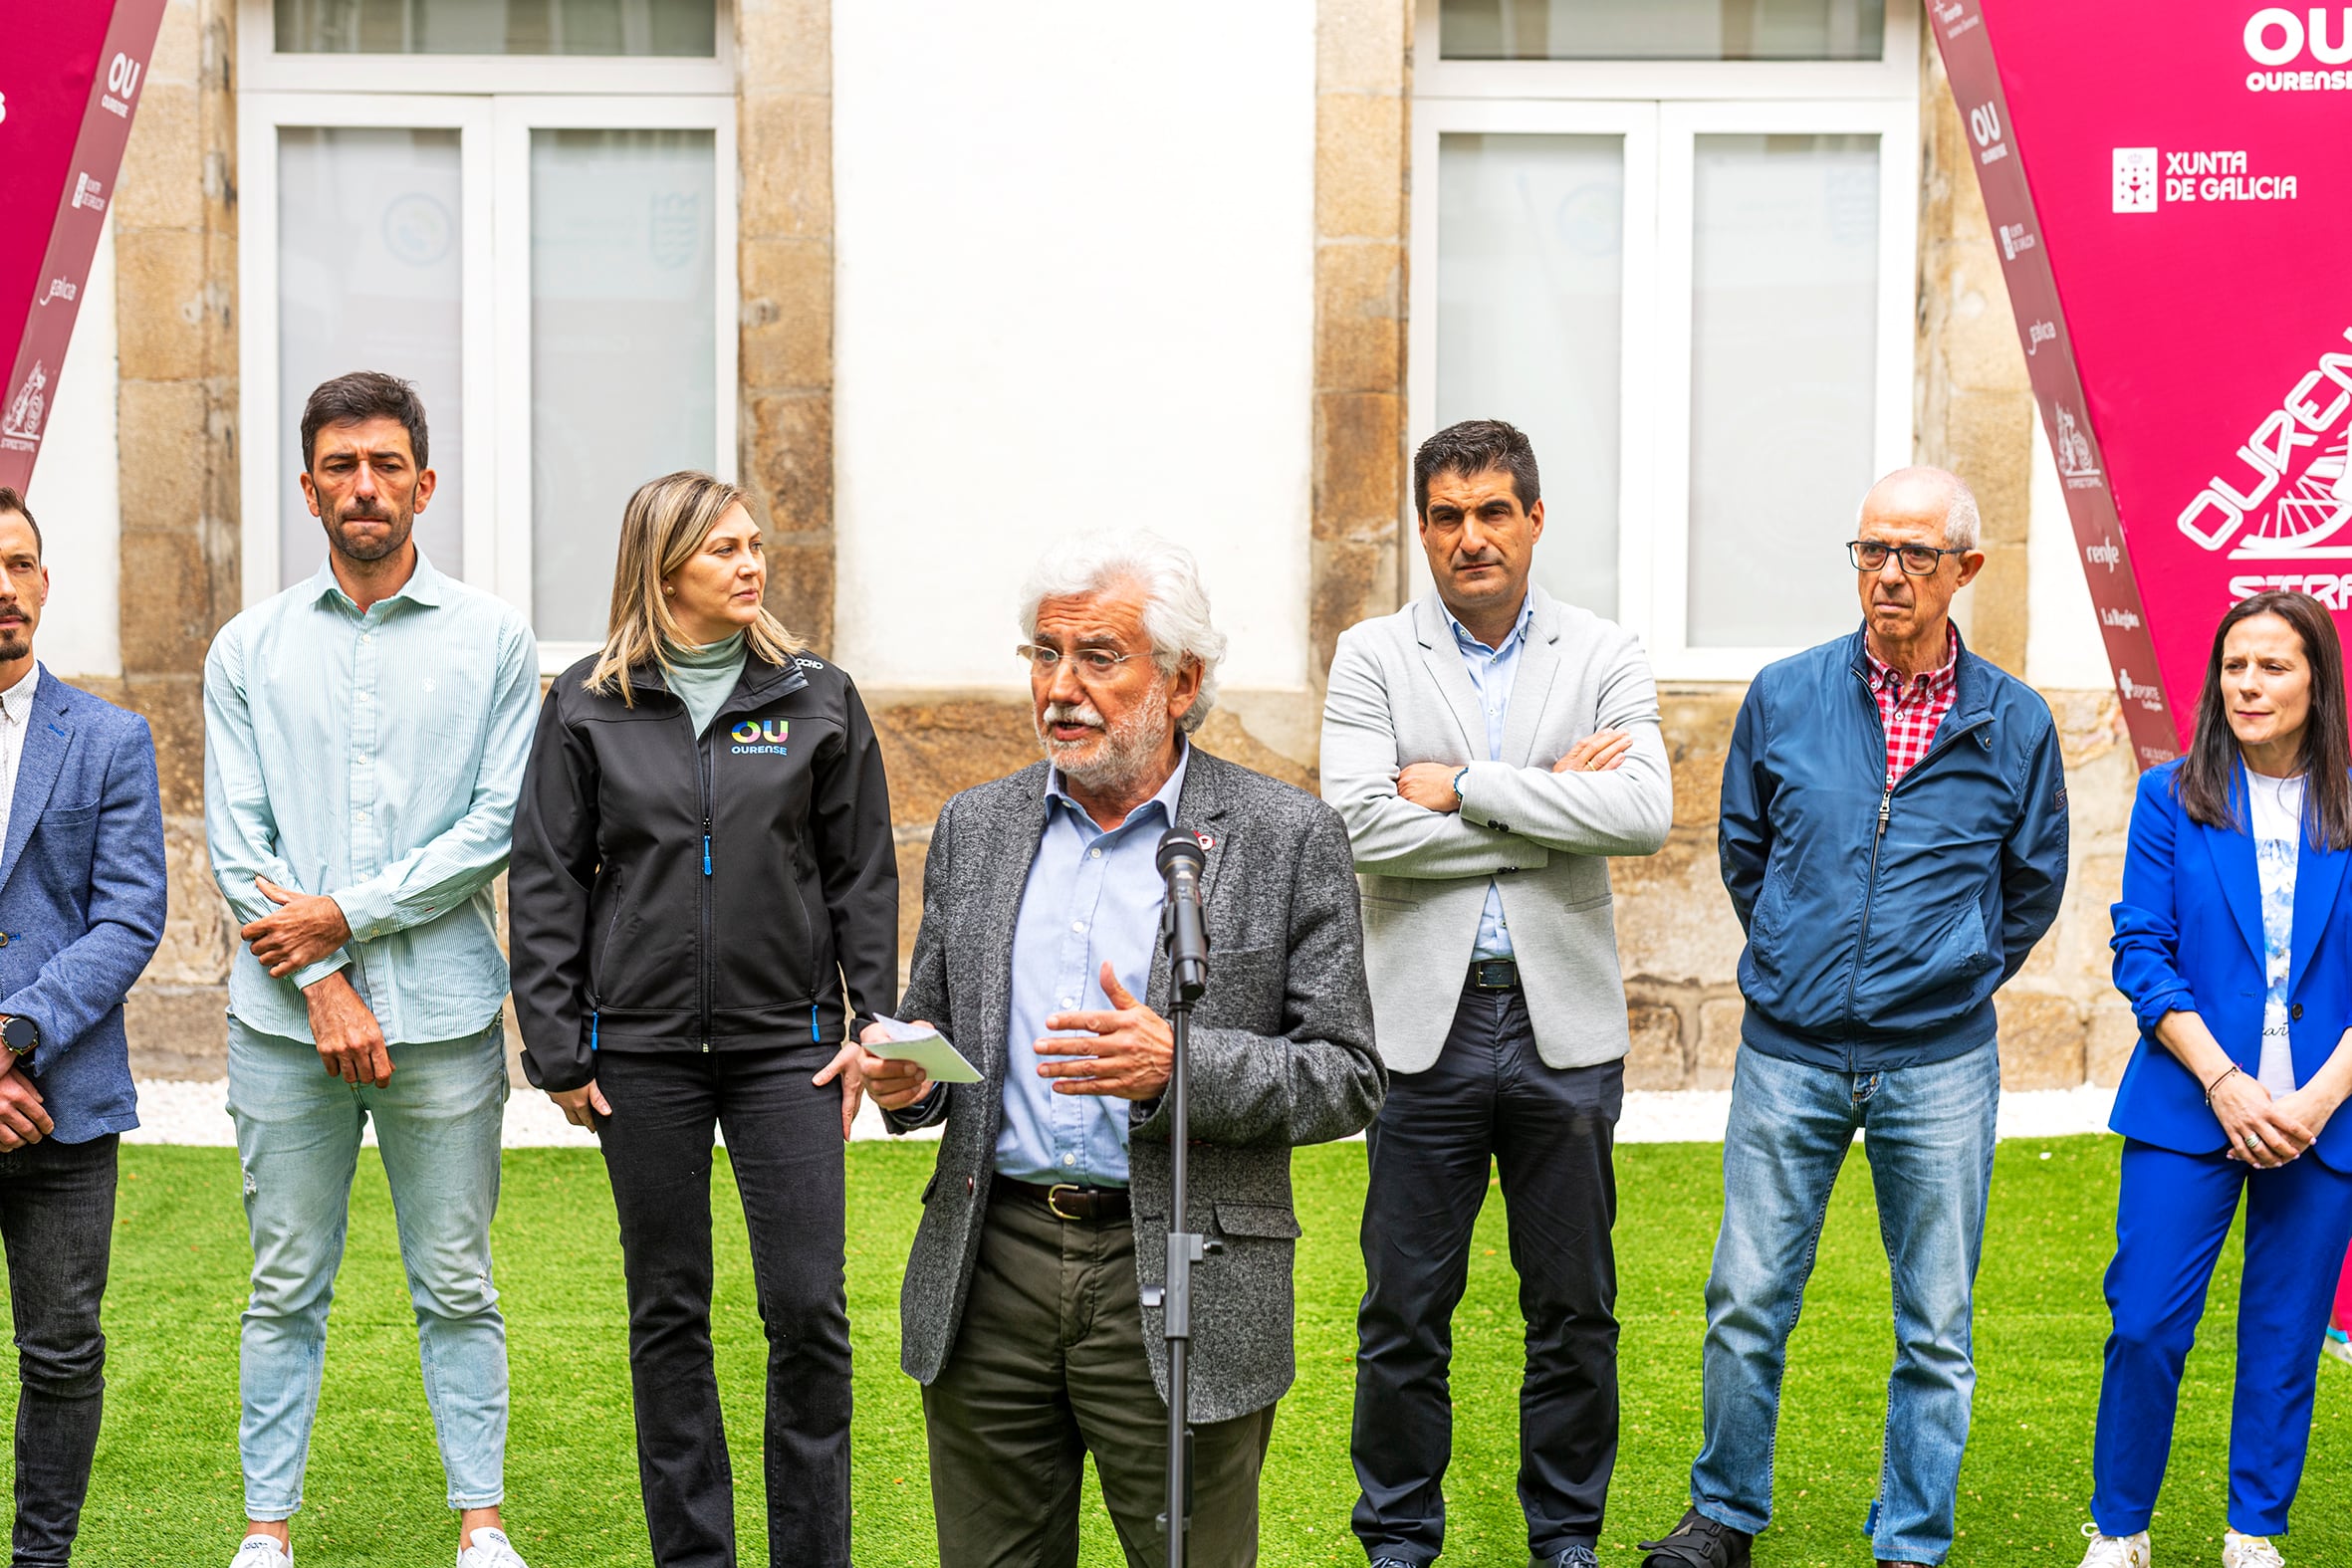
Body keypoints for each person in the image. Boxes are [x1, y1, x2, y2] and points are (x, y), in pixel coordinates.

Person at [860, 532, 1383, 1568]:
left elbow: (1347, 1072)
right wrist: (906, 1077)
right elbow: (934, 1034)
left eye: (1098, 657)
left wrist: (1176, 1067)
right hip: (989, 1268)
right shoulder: (977, 826)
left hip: (1187, 1264)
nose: (1061, 687)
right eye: (1044, 654)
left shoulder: (1284, 835)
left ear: (1181, 680)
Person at [1640, 467, 2069, 1568]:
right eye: (1871, 550)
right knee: (1746, 1296)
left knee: (1935, 1323)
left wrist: (1951, 967)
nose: (1887, 574)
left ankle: (1910, 1542)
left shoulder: (2014, 720)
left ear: (1963, 570)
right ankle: (1723, 1516)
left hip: (1938, 1062)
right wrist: (1797, 952)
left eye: (1915, 555)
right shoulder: (1784, 694)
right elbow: (1746, 852)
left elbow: (2031, 885)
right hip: (1789, 1051)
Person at [508, 470, 896, 1568]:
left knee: (808, 1307)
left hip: (791, 1049)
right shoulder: (587, 699)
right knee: (668, 1310)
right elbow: (548, 878)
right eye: (724, 549)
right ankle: (695, 1557)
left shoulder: (817, 694)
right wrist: (556, 1046)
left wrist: (871, 1023)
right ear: (663, 564)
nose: (751, 564)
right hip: (642, 1053)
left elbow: (859, 871)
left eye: (755, 545)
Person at [1317, 418, 1671, 1568]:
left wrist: (1463, 788)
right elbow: (1360, 830)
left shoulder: (1604, 653)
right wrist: (1538, 814)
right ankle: (1398, 1539)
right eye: (1447, 517)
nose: (1472, 538)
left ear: (1532, 518)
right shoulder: (1373, 654)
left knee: (1572, 1308)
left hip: (1560, 1024)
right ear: (1424, 529)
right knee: (1402, 1313)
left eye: (1493, 513)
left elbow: (1639, 816)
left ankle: (1565, 1536)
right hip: (1421, 1026)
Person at [204, 372, 540, 1568]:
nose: (364, 487)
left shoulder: (497, 639)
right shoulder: (247, 647)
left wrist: (343, 916)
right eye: (341, 467)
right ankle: (266, 1530)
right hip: (284, 1029)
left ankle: (482, 1523)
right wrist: (321, 980)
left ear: (424, 484)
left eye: (386, 466)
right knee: (283, 1281)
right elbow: (239, 847)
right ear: (308, 489)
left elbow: (497, 825)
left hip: (443, 1022)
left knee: (457, 1280)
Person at [2077, 591, 2352, 1568]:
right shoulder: (2169, 796)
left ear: (2315, 679)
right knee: (2145, 1320)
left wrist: (2314, 1100)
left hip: (2326, 1119)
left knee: (2283, 1338)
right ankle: (2118, 1532)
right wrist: (2227, 1082)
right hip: (2188, 1104)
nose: (2247, 685)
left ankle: (2252, 1535)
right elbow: (2141, 952)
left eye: (2272, 666)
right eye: (2234, 666)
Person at [0, 487, 166, 1567]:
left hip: (57, 1105)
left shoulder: (108, 738)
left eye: (18, 565)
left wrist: (10, 1037)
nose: (0, 589)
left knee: (61, 1353)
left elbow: (128, 917)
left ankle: (42, 1561)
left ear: (45, 584)